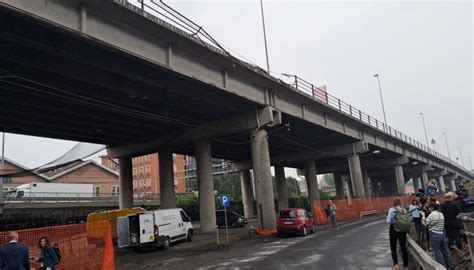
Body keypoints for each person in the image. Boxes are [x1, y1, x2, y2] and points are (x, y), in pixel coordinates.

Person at [421, 202, 455, 269]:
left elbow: (424, 224)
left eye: (429, 208)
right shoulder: (441, 214)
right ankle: (451, 265)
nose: (428, 209)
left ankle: (442, 267)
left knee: (438, 252)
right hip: (442, 234)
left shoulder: (432, 215)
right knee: (445, 251)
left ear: (432, 208)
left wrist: (423, 216)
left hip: (434, 235)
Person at [386, 197, 408, 270]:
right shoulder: (403, 210)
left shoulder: (391, 210)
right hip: (402, 229)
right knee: (403, 247)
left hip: (394, 229)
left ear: (393, 203)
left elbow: (388, 221)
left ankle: (396, 265)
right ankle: (406, 266)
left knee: (393, 247)